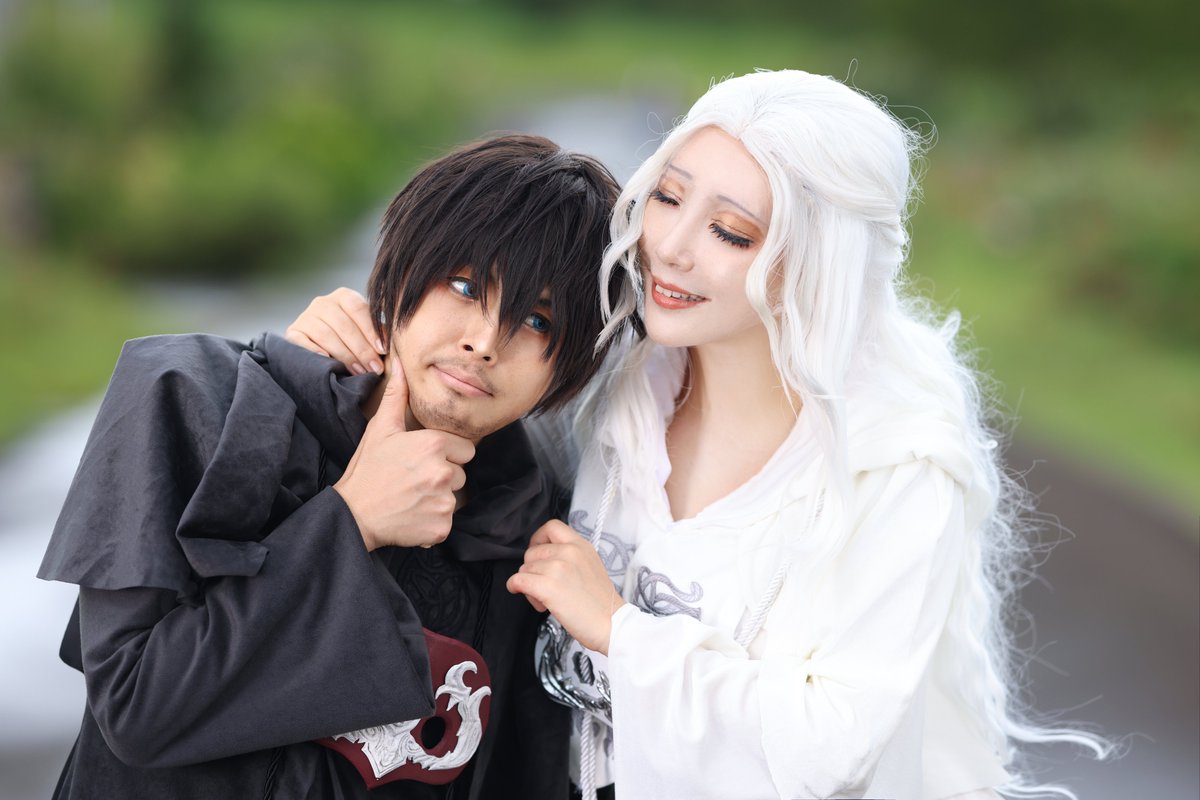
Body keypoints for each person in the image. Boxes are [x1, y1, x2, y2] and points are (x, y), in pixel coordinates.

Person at [289, 71, 1110, 799]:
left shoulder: (895, 466)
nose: (672, 250)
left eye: (732, 233)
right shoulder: (621, 381)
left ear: (817, 261)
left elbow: (833, 749)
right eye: (670, 198)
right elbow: (468, 406)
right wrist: (343, 359)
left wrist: (621, 632)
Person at [37, 134, 624, 799]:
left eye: (538, 322)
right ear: (400, 271)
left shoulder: (534, 533)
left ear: (570, 366)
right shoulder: (190, 397)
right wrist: (352, 520)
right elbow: (136, 706)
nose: (485, 341)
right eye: (465, 286)